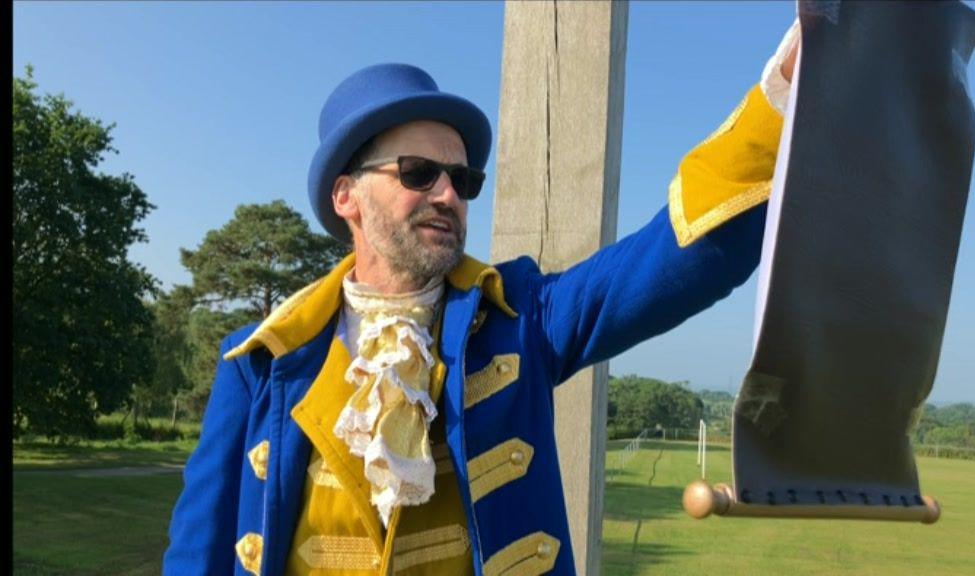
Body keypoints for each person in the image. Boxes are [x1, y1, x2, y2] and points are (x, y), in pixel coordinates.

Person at [164, 20, 800, 576]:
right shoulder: (257, 365)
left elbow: (673, 260)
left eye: (463, 179)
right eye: (418, 173)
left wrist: (782, 98)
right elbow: (198, 555)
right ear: (346, 196)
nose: (448, 195)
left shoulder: (520, 318)